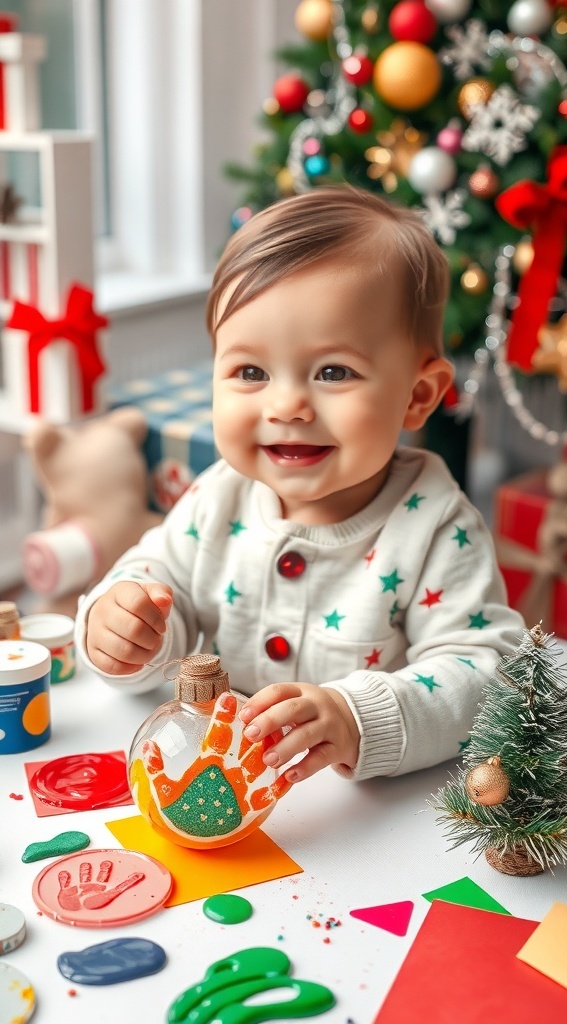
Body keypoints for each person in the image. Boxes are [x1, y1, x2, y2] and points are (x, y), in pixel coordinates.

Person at [76, 185, 524, 785]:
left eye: (333, 371)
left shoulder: (434, 523)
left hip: (370, 826)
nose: (286, 404)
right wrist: (125, 628)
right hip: (214, 783)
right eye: (250, 371)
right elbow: (157, 582)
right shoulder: (219, 495)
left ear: (418, 396)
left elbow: (485, 672)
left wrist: (356, 716)